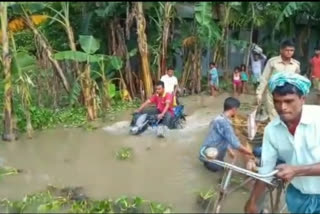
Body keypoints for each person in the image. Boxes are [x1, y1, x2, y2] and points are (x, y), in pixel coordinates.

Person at [245, 72, 320, 214]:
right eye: (277, 102)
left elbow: (294, 170)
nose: (282, 107)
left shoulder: (318, 119)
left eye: (289, 101)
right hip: (298, 197)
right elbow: (265, 172)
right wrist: (253, 201)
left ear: (302, 99)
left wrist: (296, 170)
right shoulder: (271, 130)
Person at [199, 97, 253, 172]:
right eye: (237, 109)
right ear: (234, 109)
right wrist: (250, 153)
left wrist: (229, 150)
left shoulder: (217, 118)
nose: (236, 112)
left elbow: (220, 137)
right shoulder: (225, 124)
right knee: (219, 174)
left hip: (207, 154)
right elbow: (236, 144)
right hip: (213, 159)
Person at [256, 40, 300, 120]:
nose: (289, 52)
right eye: (287, 50)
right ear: (281, 50)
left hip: (287, 94)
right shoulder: (272, 62)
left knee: (285, 115)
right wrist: (259, 93)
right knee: (274, 115)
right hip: (272, 93)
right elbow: (265, 78)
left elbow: (296, 81)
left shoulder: (295, 65)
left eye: (292, 50)